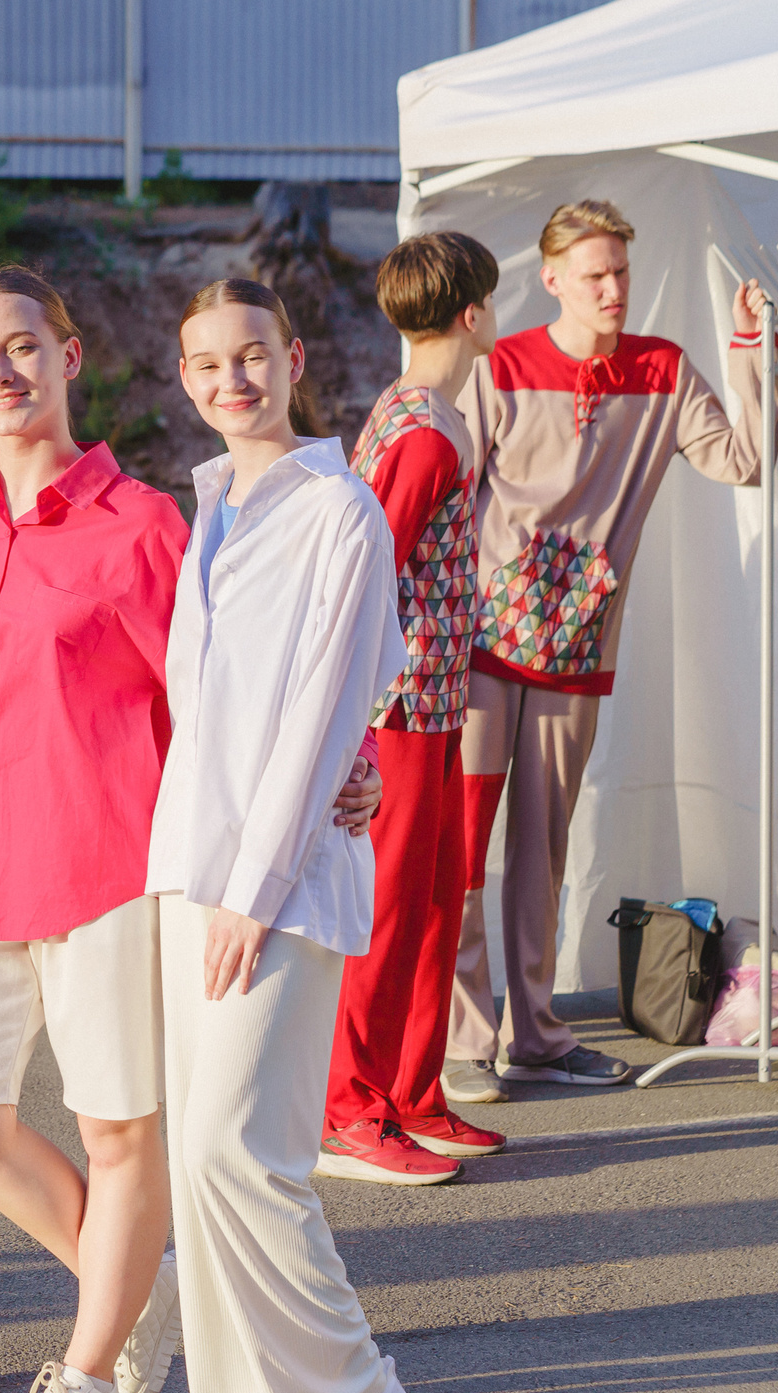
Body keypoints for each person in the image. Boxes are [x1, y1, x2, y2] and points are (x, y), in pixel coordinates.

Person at [0, 264, 377, 1393]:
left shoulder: (149, 522)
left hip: (117, 856)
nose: (0, 373)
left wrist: (348, 766)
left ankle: (95, 1372)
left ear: (70, 357)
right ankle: (141, 1285)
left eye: (22, 346)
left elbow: (239, 687)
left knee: (128, 1136)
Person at [151, 278, 425, 1393]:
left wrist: (254, 889)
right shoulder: (207, 506)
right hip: (186, 872)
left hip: (280, 882)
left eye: (251, 356)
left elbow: (327, 713)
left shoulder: (339, 511)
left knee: (243, 1154)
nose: (232, 382)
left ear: (293, 357)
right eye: (207, 364)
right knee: (197, 1162)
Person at [444, 200, 769, 1101]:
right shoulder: (501, 367)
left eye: (621, 271)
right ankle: (465, 1040)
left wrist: (750, 353)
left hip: (576, 649)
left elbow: (745, 459)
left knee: (543, 845)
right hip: (478, 648)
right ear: (551, 281)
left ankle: (538, 1034)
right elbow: (447, 489)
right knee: (465, 844)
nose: (614, 289)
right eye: (595, 275)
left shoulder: (661, 370)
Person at [318, 233, 506, 1186]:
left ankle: (412, 1092)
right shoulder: (424, 432)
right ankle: (351, 1106)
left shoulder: (421, 412)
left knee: (437, 896)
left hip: (432, 701)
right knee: (394, 906)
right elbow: (371, 569)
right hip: (400, 704)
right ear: (474, 313)